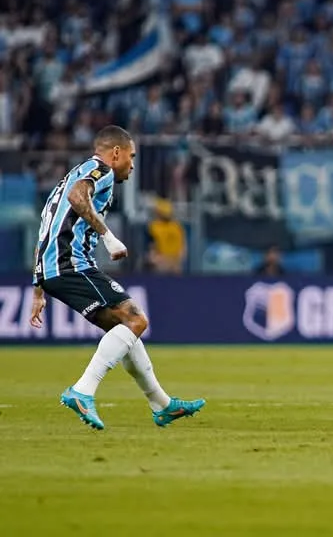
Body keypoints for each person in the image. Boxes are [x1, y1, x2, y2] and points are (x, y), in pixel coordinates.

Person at [30, 126, 205, 431]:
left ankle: (162, 405)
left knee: (125, 327)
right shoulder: (101, 170)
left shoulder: (73, 174)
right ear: (116, 153)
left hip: (54, 267)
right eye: (131, 156)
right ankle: (83, 391)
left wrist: (37, 287)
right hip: (70, 264)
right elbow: (76, 198)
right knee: (136, 320)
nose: (133, 164)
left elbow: (47, 223)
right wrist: (109, 238)